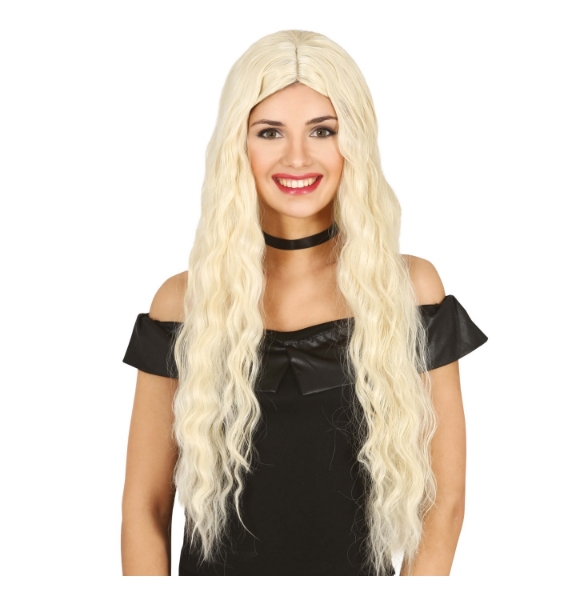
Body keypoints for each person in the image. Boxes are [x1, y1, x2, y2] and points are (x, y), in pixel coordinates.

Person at [121, 29, 487, 576]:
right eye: (270, 132)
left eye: (322, 130)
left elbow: (444, 505)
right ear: (238, 145)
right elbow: (144, 508)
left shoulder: (408, 290)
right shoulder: (184, 303)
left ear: (354, 141)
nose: (297, 157)